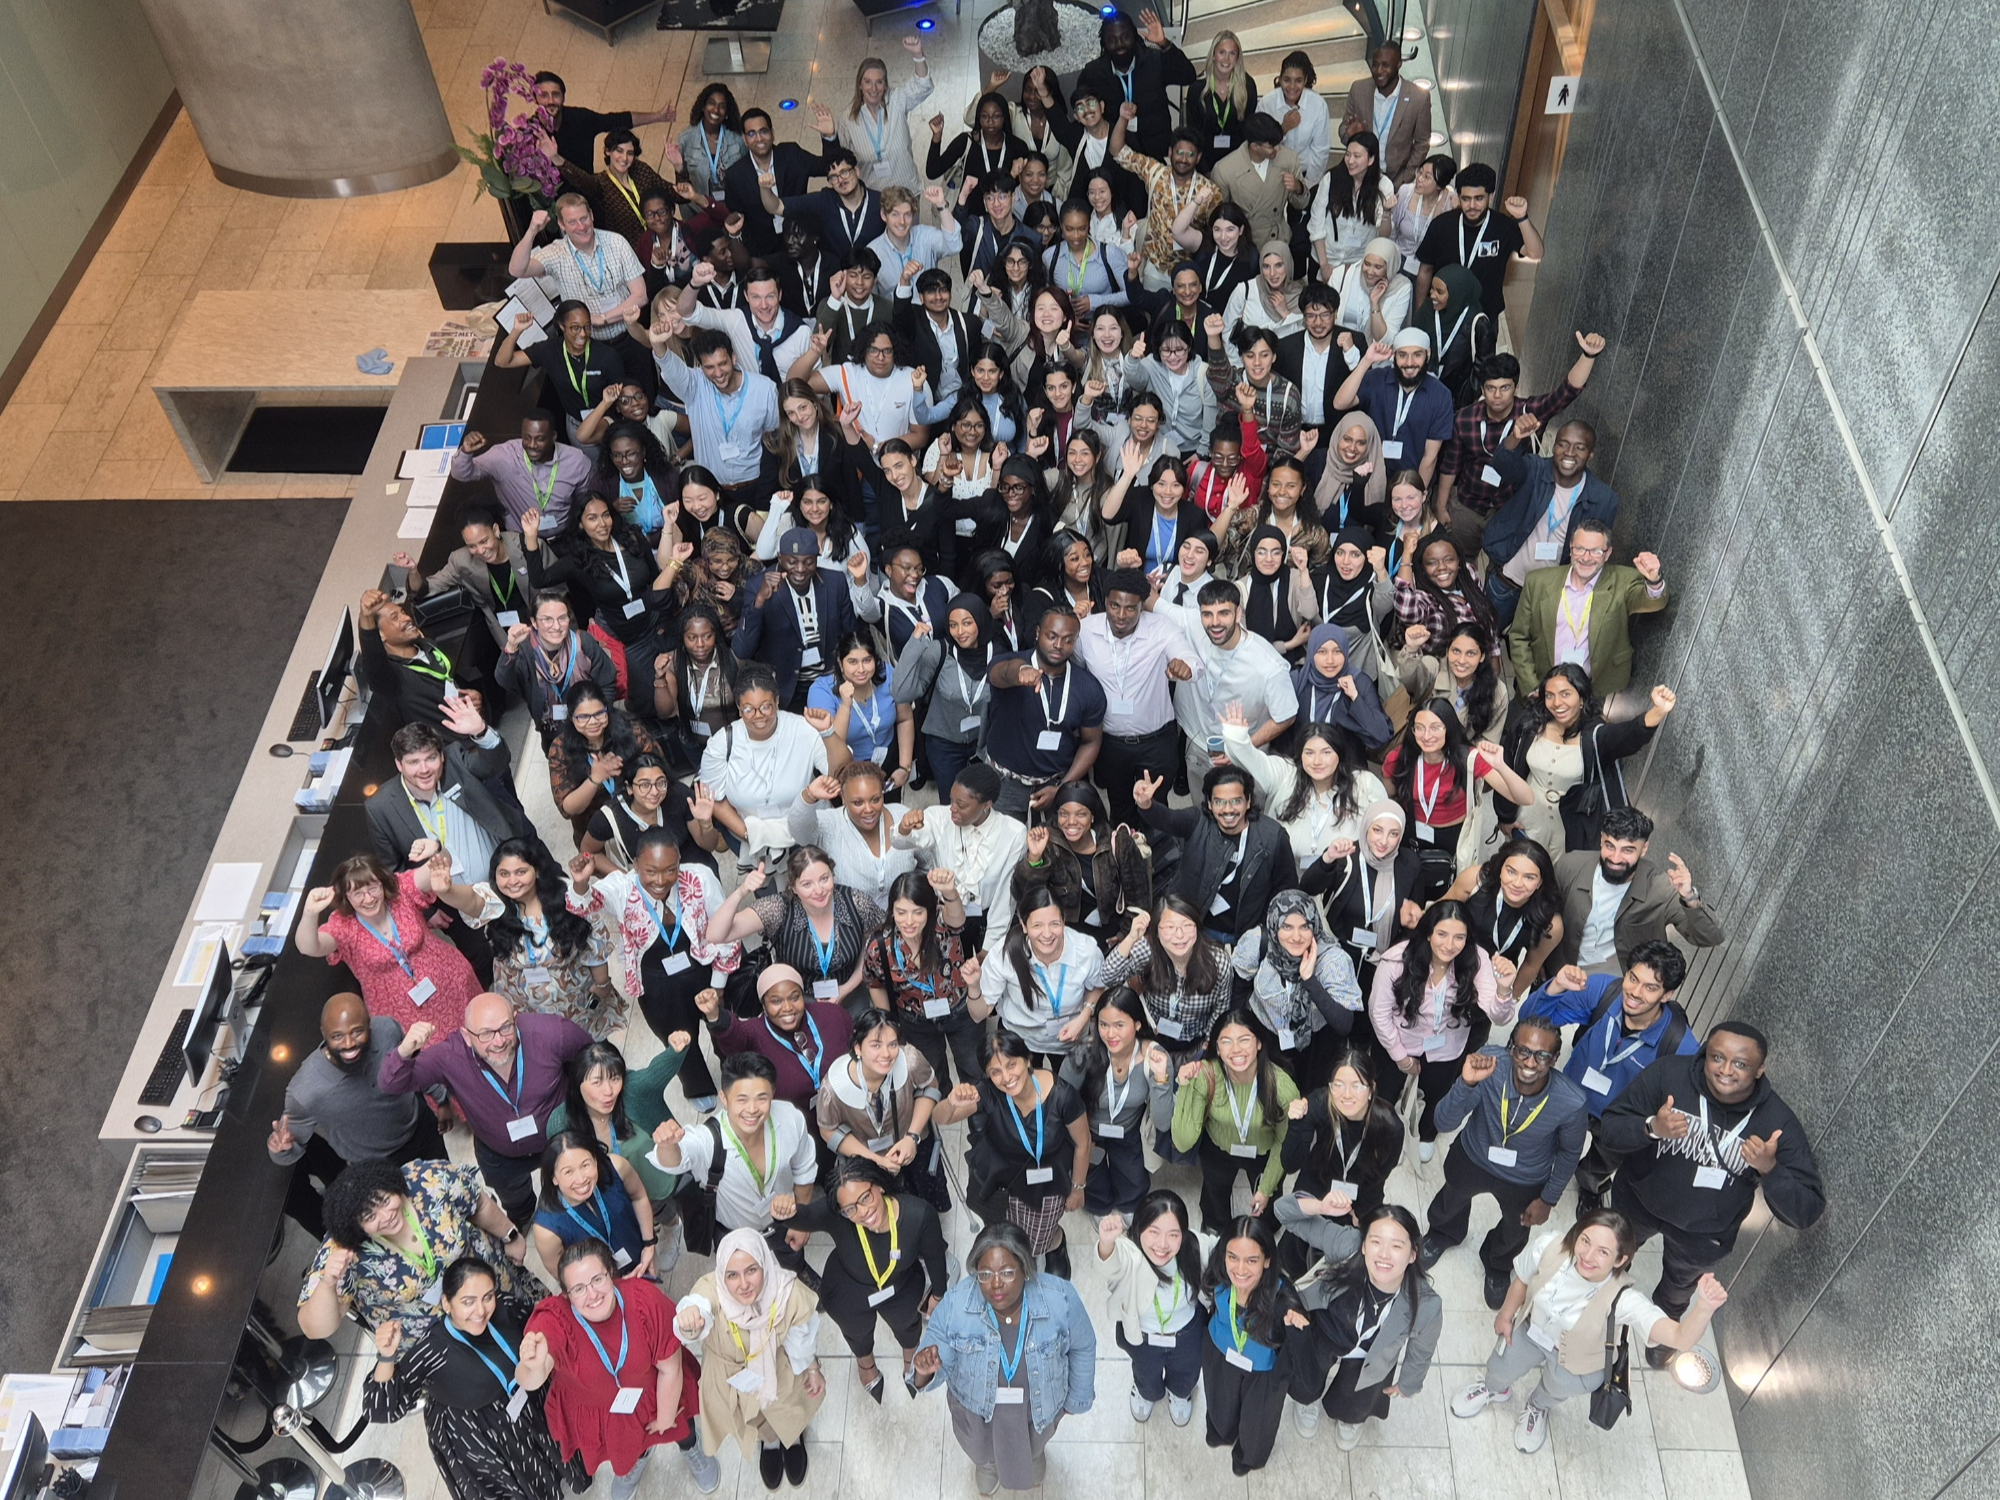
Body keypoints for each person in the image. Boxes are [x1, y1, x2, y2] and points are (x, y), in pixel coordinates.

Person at [1598, 1022, 1826, 1362]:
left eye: (1740, 1064)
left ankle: (1664, 1333)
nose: (1725, 1070)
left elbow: (1807, 1210)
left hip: (1704, 1233)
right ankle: (1592, 1301)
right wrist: (1651, 1128)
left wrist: (1770, 1170)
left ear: (1760, 1069)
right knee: (1608, 1258)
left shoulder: (1777, 1122)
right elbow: (1610, 1126)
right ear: (1705, 1053)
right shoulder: (1669, 1076)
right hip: (1638, 1200)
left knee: (1677, 1289)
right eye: (1717, 1057)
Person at [1451, 1208, 1730, 1454]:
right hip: (1531, 1329)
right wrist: (1506, 1314)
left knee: (1557, 1386)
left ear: (1620, 1259)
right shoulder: (1551, 1246)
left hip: (1579, 1360)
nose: (1587, 1255)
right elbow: (1523, 1280)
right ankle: (1493, 1389)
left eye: (1603, 1252)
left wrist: (1704, 1307)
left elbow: (1680, 1337)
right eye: (1585, 1240)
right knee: (1501, 1365)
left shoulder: (1624, 1299)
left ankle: (1538, 1406)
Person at [1417, 1017, 1590, 1310]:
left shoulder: (1571, 1101)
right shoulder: (1490, 1067)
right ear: (1511, 1048)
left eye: (1542, 1055)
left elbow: (1569, 1154)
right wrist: (1466, 1083)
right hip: (1473, 1155)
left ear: (1555, 1059)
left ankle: (1497, 1263)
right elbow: (1443, 1122)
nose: (1530, 1062)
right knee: (1452, 1198)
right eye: (1522, 1051)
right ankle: (1442, 1233)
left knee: (1516, 1227)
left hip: (1525, 1178)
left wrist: (1548, 1198)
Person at [913, 1219, 1096, 1494]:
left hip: (1036, 1406)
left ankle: (1033, 1456)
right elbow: (937, 1354)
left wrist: (1076, 1398)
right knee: (981, 1447)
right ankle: (987, 1465)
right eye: (985, 1274)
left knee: (1034, 1442)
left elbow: (1083, 1345)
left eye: (1008, 1272)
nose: (995, 1284)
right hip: (977, 1409)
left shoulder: (1061, 1298)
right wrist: (925, 1368)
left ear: (1026, 1268)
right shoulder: (956, 1303)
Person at [379, 993, 594, 1225]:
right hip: (500, 1155)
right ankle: (522, 1216)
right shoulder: (450, 1056)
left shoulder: (552, 1032)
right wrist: (404, 1052)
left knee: (576, 1189)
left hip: (560, 1139)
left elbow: (592, 1059)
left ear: (515, 1019)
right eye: (485, 1034)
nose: (498, 1041)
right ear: (467, 1036)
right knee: (514, 1198)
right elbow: (391, 1083)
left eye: (505, 1028)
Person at [362, 1255, 564, 1500]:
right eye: (468, 1302)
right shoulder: (432, 1349)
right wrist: (386, 1357)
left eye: (487, 1297)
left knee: (547, 1461)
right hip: (482, 1433)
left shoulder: (506, 1307)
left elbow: (538, 1320)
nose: (480, 1311)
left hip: (529, 1403)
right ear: (446, 1303)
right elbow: (380, 1409)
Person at [525, 1238, 712, 1500]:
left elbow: (671, 1369)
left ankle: (690, 1448)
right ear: (566, 1295)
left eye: (597, 1280)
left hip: (657, 1393)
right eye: (578, 1288)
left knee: (682, 1427)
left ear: (611, 1274)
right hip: (609, 1413)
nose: (592, 1294)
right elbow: (534, 1375)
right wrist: (531, 1363)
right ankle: (637, 1459)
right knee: (630, 1446)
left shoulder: (643, 1299)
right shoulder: (557, 1318)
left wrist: (666, 1418)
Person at [566, 830, 737, 1107]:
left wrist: (718, 984)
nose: (661, 880)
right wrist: (582, 883)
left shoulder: (700, 877)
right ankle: (698, 1086)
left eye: (670, 869)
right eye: (651, 871)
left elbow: (727, 928)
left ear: (680, 862)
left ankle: (737, 1076)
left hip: (702, 969)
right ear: (635, 865)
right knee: (678, 1038)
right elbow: (581, 905)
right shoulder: (622, 887)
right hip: (656, 981)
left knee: (724, 1028)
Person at [1527, 941, 1698, 1206]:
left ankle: (1589, 1189)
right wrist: (1555, 987)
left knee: (1600, 1165)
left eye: (1650, 987)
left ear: (1667, 995)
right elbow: (1531, 1021)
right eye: (1633, 978)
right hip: (1573, 1094)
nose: (1635, 992)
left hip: (1620, 1118)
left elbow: (1691, 1097)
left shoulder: (1679, 1044)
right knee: (1550, 1141)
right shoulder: (1604, 992)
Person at [269, 995, 448, 1240]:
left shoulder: (387, 1029)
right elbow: (292, 1148)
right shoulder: (306, 1089)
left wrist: (440, 1098)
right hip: (376, 1165)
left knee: (444, 1189)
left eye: (357, 1032)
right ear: (323, 1033)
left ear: (369, 1023)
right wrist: (281, 1149)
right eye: (337, 1036)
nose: (349, 1043)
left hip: (421, 1130)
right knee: (407, 1224)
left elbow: (413, 1066)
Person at [298, 1159, 531, 1341]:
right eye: (370, 1217)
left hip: (495, 1290)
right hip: (442, 1340)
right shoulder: (342, 1247)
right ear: (356, 1225)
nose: (386, 1217)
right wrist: (328, 1282)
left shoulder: (426, 1179)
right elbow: (315, 1329)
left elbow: (477, 1202)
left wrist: (510, 1235)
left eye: (385, 1201)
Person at [775, 1157, 947, 1400]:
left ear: (879, 1186)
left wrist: (938, 1294)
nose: (863, 1212)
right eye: (850, 1209)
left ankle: (911, 1357)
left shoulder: (919, 1215)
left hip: (901, 1286)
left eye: (865, 1198)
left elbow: (935, 1256)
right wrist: (783, 1211)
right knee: (856, 1332)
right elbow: (802, 1217)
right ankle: (865, 1363)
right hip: (848, 1290)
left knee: (908, 1325)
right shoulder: (838, 1215)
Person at [1275, 1199, 1438, 1449]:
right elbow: (1283, 1213)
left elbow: (1422, 1350)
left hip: (1374, 1351)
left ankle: (1350, 1417)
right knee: (1306, 1375)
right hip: (1330, 1326)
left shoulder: (1427, 1304)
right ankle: (1307, 1401)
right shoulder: (1348, 1243)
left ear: (1413, 1254)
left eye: (1396, 1246)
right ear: (1363, 1245)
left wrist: (1409, 1382)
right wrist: (1319, 1206)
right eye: (1375, 1242)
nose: (1383, 1254)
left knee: (1360, 1397)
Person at [649, 1050, 822, 1270]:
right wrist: (667, 1145)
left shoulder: (790, 1118)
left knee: (793, 1260)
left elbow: (804, 1168)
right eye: (741, 1099)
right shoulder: (709, 1139)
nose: (752, 1110)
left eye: (762, 1098)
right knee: (746, 1284)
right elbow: (675, 1159)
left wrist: (802, 1221)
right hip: (735, 1234)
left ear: (773, 1094)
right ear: (724, 1098)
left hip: (784, 1220)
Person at [1366, 899, 1513, 1153]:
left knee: (1437, 1092)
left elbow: (1499, 1016)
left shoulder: (1476, 959)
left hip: (1447, 1044)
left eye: (1459, 937)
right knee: (1385, 1093)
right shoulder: (1397, 960)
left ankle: (1426, 1133)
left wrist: (1503, 988)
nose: (1449, 945)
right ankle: (1381, 1134)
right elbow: (1378, 1013)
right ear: (1427, 932)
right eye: (1442, 934)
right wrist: (1401, 1057)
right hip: (1400, 1040)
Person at [1433, 337, 1601, 555]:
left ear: (1516, 387)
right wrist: (1441, 506)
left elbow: (1565, 394)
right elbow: (1450, 465)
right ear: (1482, 389)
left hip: (1510, 507)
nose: (1497, 395)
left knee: (1503, 565)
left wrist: (1588, 356)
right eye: (1491, 388)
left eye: (1505, 388)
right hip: (1468, 504)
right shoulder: (1465, 418)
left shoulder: (1529, 412)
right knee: (1459, 560)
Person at [433, 839, 617, 1037]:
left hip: (573, 1002)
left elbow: (594, 944)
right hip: (523, 1007)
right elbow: (470, 900)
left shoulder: (566, 894)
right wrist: (447, 891)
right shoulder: (495, 902)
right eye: (504, 874)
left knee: (590, 1054)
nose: (512, 881)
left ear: (536, 871)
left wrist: (602, 985)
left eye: (521, 872)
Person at [296, 847, 483, 1035]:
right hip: (405, 1018)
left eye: (373, 888)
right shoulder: (343, 925)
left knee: (481, 1035)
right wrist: (310, 913)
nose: (368, 898)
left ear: (383, 884)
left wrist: (436, 847)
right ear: (346, 897)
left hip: (455, 988)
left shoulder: (402, 890)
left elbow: (441, 863)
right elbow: (309, 947)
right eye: (358, 893)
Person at [952, 1029, 1093, 1277]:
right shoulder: (988, 1091)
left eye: (1011, 1064)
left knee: (1039, 1237)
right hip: (1003, 1183)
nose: (1006, 1077)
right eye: (995, 1071)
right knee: (1006, 1233)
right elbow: (943, 1116)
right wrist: (951, 1101)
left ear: (1027, 1059)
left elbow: (1083, 1143)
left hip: (1046, 1184)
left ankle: (1056, 1243)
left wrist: (1078, 1188)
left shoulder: (1062, 1096)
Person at [1497, 666, 1676, 855]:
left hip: (1572, 828)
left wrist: (1657, 712)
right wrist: (1505, 815)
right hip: (1527, 819)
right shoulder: (1530, 726)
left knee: (1562, 879)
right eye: (1550, 695)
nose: (1557, 702)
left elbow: (1626, 735)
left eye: (1565, 694)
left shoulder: (1594, 735)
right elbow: (1508, 767)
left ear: (1581, 697)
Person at [1506, 516, 1668, 709]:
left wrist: (1654, 579)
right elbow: (1518, 637)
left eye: (1596, 551)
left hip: (1596, 693)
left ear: (1608, 554)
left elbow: (1652, 601)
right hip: (1543, 688)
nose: (1585, 557)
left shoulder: (1623, 581)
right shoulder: (1538, 581)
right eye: (1580, 549)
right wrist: (1532, 687)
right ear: (1571, 548)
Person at [363, 716, 536, 889]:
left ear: (442, 756)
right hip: (454, 906)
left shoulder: (456, 762)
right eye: (414, 762)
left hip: (507, 881)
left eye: (431, 758)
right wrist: (429, 911)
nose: (424, 770)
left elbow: (495, 763)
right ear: (399, 765)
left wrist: (481, 732)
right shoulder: (380, 807)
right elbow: (393, 870)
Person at [1135, 762, 1298, 947]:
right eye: (1219, 802)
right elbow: (1168, 819)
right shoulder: (1198, 821)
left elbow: (1286, 889)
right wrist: (1147, 804)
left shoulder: (1273, 836)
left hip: (1247, 934)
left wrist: (1264, 932)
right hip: (1197, 928)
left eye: (1236, 801)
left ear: (1249, 802)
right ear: (1210, 804)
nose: (1228, 809)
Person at [1480, 413, 1619, 626]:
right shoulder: (1534, 469)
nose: (1569, 453)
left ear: (1590, 454)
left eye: (1579, 448)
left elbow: (1596, 553)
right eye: (1563, 444)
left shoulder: (1603, 499)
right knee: (1481, 637)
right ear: (1554, 446)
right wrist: (1515, 438)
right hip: (1507, 580)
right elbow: (1502, 468)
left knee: (1528, 654)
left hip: (1549, 597)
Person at [546, 1037, 696, 1234]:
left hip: (654, 1183)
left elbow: (657, 1071)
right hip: (611, 1193)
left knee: (661, 1208)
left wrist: (676, 1048)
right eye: (597, 1082)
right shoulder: (560, 1122)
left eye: (615, 1078)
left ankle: (672, 1227)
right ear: (578, 1084)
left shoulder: (633, 1091)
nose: (608, 1091)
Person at [707, 850, 884, 1014]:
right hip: (796, 1006)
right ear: (793, 887)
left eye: (824, 878)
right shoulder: (779, 908)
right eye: (807, 884)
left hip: (850, 997)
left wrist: (846, 988)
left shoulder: (855, 901)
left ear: (833, 874)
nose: (819, 890)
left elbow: (872, 944)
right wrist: (741, 891)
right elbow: (716, 935)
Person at [1552, 806, 1724, 974]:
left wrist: (1689, 897)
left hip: (1619, 992)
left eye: (1627, 850)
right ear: (1601, 840)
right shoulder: (1571, 866)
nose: (1616, 858)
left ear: (1644, 849)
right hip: (1563, 979)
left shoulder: (1661, 889)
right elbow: (1543, 918)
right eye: (1610, 846)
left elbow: (1711, 937)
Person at [1170, 1008, 1298, 1231]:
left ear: (1259, 1043)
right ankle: (1216, 1227)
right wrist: (1185, 1086)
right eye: (1226, 1041)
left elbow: (1283, 1143)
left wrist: (1266, 1189)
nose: (1236, 1049)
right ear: (1217, 1049)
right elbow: (1183, 1141)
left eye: (1244, 1040)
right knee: (1215, 1197)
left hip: (1263, 1152)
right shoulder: (1206, 1075)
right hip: (1218, 1149)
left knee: (1267, 1212)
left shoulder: (1282, 1087)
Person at [1197, 1215, 1307, 1474]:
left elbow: (1300, 1334)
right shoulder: (1218, 1275)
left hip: (1263, 1371)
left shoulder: (1282, 1298)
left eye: (1252, 1260)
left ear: (1267, 1261)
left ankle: (1249, 1457)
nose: (1240, 1269)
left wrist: (1297, 1322)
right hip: (1221, 1351)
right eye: (1233, 1256)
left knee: (1257, 1422)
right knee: (1219, 1399)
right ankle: (1221, 1430)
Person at [1169, 579, 1299, 794]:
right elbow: (1157, 605)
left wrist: (1242, 747)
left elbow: (1286, 715)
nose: (1215, 622)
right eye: (1207, 614)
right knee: (1202, 812)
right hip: (1199, 746)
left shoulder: (1269, 665)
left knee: (1242, 816)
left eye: (1224, 613)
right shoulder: (1196, 626)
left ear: (1239, 614)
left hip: (1244, 756)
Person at [1380, 699, 1534, 880]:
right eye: (1419, 727)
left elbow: (1526, 798)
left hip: (1454, 837)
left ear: (1448, 727)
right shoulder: (1400, 758)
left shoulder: (1468, 759)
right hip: (1411, 832)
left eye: (1435, 727)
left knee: (1451, 885)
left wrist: (1500, 765)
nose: (1426, 735)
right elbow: (1386, 797)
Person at [507, 197, 652, 388]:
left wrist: (603, 318)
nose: (581, 226)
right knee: (607, 403)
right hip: (590, 346)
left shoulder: (616, 242)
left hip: (629, 336)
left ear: (592, 216)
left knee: (644, 393)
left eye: (584, 218)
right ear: (562, 225)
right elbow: (517, 270)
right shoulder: (556, 253)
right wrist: (532, 231)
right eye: (572, 222)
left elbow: (640, 295)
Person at [1095, 1190, 1213, 1425]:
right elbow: (1109, 1265)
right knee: (1145, 1370)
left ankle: (1180, 1394)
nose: (1162, 1244)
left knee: (1187, 1370)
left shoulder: (1197, 1247)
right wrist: (1106, 1243)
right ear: (1139, 1229)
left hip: (1187, 1332)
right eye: (1154, 1232)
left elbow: (1229, 1253)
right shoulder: (1128, 1252)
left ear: (1184, 1233)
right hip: (1142, 1334)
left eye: (1173, 1235)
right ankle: (1145, 1391)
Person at [698, 664, 843, 853]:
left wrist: (828, 733)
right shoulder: (720, 744)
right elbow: (715, 798)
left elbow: (839, 772)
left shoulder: (803, 729)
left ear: (777, 701)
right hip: (748, 837)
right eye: (749, 709)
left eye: (765, 707)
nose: (758, 716)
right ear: (739, 708)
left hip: (807, 835)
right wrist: (751, 835)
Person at [865, 869, 987, 1087]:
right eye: (901, 912)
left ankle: (980, 1120)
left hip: (960, 1011)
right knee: (932, 1078)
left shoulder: (942, 923)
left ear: (930, 909)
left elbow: (957, 918)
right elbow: (875, 982)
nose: (909, 921)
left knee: (976, 1070)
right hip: (916, 1021)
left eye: (917, 912)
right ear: (892, 910)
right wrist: (888, 1022)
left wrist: (949, 891)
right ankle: (944, 1114)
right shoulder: (880, 945)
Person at [982, 605, 1108, 817]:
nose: (1059, 645)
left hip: (1055, 783)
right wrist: (1020, 672)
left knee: (1053, 848)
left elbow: (1091, 741)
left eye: (1068, 640)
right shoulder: (1009, 661)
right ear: (1038, 633)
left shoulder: (1088, 687)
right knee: (1004, 848)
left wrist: (1062, 788)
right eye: (1052, 636)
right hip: (1004, 783)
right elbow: (1000, 674)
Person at [1056, 987, 1173, 1214]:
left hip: (1128, 1130)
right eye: (1104, 1025)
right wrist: (1079, 1142)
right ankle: (1099, 1209)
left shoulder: (1156, 1057)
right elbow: (1061, 1104)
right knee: (1093, 1181)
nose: (1110, 1034)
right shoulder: (1084, 1053)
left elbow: (1163, 1123)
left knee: (1134, 1182)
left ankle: (1129, 1209)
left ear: (1138, 1024)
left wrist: (1160, 1079)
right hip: (1088, 1130)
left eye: (1119, 1025)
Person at [893, 763, 1030, 956]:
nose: (953, 809)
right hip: (945, 915)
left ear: (987, 805)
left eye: (961, 804)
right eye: (952, 800)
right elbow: (901, 842)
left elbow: (1005, 896)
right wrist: (905, 828)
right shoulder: (938, 817)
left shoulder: (1014, 833)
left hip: (986, 920)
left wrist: (989, 946)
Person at [697, 958, 859, 1119]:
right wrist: (714, 1015)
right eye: (776, 1001)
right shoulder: (755, 1032)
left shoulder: (832, 1015)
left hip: (847, 1112)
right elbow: (734, 1035)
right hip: (797, 1126)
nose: (787, 1007)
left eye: (794, 997)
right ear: (764, 1006)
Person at [1230, 890, 1363, 1079]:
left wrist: (1310, 980)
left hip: (1315, 1050)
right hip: (1265, 1040)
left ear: (1315, 926)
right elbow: (1238, 992)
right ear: (1274, 926)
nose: (1296, 936)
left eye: (1304, 927)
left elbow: (1344, 1025)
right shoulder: (1258, 944)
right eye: (1287, 927)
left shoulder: (1333, 960)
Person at [733, 529, 866, 712]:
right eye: (792, 562)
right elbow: (742, 649)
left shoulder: (835, 582)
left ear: (817, 559)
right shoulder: (758, 585)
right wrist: (760, 601)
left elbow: (851, 637)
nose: (801, 569)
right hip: (784, 687)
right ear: (780, 559)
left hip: (828, 682)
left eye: (809, 562)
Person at [811, 1008, 944, 1189]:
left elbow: (930, 1087)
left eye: (892, 1044)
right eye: (875, 1045)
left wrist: (912, 1137)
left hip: (911, 1147)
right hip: (863, 1158)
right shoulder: (834, 1086)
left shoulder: (910, 1060)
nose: (886, 1054)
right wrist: (874, 1159)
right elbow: (828, 1131)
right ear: (858, 1047)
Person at [1276, 1047, 1403, 1236]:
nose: (1347, 1094)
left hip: (1362, 1191)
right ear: (1330, 1087)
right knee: (1294, 1251)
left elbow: (1379, 1177)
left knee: (1352, 1246)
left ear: (1371, 1089)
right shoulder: (1319, 1104)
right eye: (1339, 1085)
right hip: (1318, 1179)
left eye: (1357, 1086)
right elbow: (1290, 1164)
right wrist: (1296, 1124)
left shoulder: (1390, 1127)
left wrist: (1360, 1211)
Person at [1095, 898, 1235, 1065]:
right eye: (1169, 927)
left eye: (1187, 925)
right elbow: (1108, 976)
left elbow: (1221, 1008)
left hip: (1196, 1041)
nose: (1179, 935)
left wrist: (1209, 1043)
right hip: (1153, 1035)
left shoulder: (1218, 962)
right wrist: (1131, 937)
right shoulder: (1148, 949)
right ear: (1156, 930)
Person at [646, 325, 782, 496]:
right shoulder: (694, 385)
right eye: (709, 367)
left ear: (733, 358)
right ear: (701, 367)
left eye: (722, 363)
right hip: (712, 490)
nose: (718, 373)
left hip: (757, 484)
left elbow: (775, 438)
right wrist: (658, 344)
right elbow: (673, 369)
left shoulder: (764, 389)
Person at [1412, 162, 1543, 321]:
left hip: (1484, 315)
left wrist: (1522, 217)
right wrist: (1420, 314)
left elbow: (1536, 253)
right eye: (1466, 199)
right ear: (1459, 197)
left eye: (1479, 198)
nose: (1472, 206)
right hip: (1443, 312)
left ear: (1491, 196)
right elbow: (1425, 270)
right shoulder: (1441, 225)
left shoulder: (1503, 227)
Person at [399, 505, 538, 654]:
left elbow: (555, 590)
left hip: (537, 617)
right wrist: (413, 570)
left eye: (484, 541)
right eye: (472, 546)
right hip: (503, 630)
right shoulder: (462, 561)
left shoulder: (525, 544)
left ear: (496, 530)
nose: (480, 551)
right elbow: (425, 588)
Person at [1438, 838, 1566, 998]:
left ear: (1540, 882)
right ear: (1500, 869)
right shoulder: (1475, 881)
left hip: (1492, 982)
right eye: (1511, 872)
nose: (1517, 883)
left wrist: (1505, 1001)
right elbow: (1437, 917)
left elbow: (1531, 965)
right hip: (1449, 964)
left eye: (1529, 877)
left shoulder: (1551, 923)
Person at [495, 587, 621, 750]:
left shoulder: (583, 642)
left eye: (562, 618)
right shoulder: (526, 651)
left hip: (593, 728)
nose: (556, 626)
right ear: (534, 622)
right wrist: (511, 646)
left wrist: (598, 717)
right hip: (551, 732)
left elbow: (607, 682)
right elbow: (505, 681)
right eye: (547, 620)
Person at [530, 1130, 656, 1279]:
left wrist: (649, 1245)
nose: (581, 1178)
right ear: (554, 1178)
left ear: (595, 1161)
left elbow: (639, 1198)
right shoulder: (546, 1231)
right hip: (601, 1292)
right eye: (568, 1172)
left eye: (585, 1165)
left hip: (643, 1261)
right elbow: (565, 1278)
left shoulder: (616, 1168)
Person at [1332, 328, 1453, 484]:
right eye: (1402, 355)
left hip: (1411, 481)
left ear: (1428, 354)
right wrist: (1366, 361)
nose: (1409, 363)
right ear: (1394, 356)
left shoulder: (1440, 395)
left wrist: (1416, 494)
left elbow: (1429, 457)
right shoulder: (1377, 379)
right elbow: (1340, 403)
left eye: (1417, 355)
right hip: (1370, 477)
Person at [495, 302, 627, 444]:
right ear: (562, 326)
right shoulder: (549, 350)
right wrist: (517, 331)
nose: (583, 334)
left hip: (605, 420)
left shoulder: (607, 355)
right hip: (575, 423)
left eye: (587, 327)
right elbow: (502, 362)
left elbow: (622, 396)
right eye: (575, 328)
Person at [806, 639, 911, 791]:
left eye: (867, 660)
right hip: (844, 771)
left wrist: (904, 767)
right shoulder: (821, 690)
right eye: (853, 662)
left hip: (886, 764)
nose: (861, 669)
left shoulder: (887, 674)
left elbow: (904, 719)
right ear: (840, 664)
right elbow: (835, 743)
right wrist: (845, 705)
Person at [838, 38, 934, 192]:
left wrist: (918, 54)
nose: (874, 88)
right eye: (868, 82)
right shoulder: (847, 119)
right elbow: (843, 161)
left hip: (907, 190)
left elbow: (923, 86)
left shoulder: (896, 99)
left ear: (885, 85)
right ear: (860, 85)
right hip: (874, 196)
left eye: (879, 82)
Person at [1398, 618, 1509, 743]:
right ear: (1447, 651)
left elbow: (1488, 742)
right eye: (1456, 651)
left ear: (1482, 656)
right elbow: (1409, 680)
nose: (1461, 660)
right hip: (1421, 748)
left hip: (1461, 758)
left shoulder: (1497, 692)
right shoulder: (1435, 668)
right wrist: (1411, 649)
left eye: (1471, 653)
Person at [1286, 624, 1392, 752]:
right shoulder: (1298, 681)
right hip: (1303, 763)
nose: (1330, 660)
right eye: (1322, 652)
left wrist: (1355, 698)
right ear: (1311, 652)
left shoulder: (1358, 682)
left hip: (1346, 767)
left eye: (1337, 651)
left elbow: (1382, 736)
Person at [1209, 114, 1306, 251]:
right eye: (1271, 145)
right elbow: (1219, 216)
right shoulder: (1225, 169)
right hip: (1243, 244)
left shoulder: (1288, 158)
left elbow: (1301, 203)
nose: (1278, 149)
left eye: (1278, 143)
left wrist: (1298, 187)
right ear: (1254, 146)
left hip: (1277, 240)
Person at [1339, 42, 1432, 184]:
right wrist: (1351, 135)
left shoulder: (1418, 98)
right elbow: (1343, 131)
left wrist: (1404, 180)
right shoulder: (1358, 89)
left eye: (1386, 65)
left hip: (1394, 178)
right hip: (1359, 174)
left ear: (1399, 64)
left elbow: (1422, 144)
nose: (1379, 71)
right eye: (1375, 65)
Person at [1187, 31, 1254, 169]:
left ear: (1237, 58)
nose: (1226, 59)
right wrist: (1204, 170)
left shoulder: (1247, 85)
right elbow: (1192, 133)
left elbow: (1249, 130)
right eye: (1222, 52)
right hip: (1205, 163)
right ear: (1213, 55)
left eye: (1232, 53)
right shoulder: (1197, 88)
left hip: (1237, 163)